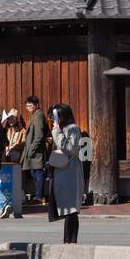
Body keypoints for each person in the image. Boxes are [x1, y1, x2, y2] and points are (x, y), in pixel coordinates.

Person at [47, 103, 84, 243]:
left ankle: (70, 240)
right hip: (62, 171)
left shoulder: (72, 128)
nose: (52, 120)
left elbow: (69, 149)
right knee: (67, 208)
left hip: (70, 172)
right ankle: (68, 239)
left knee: (71, 209)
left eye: (54, 116)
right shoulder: (64, 129)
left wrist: (56, 132)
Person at [19, 95, 49, 206]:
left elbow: (39, 135)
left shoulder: (38, 116)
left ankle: (39, 197)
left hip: (37, 152)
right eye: (27, 106)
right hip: (34, 151)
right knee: (35, 173)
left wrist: (31, 150)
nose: (29, 107)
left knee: (38, 174)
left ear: (36, 105)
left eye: (31, 105)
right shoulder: (34, 115)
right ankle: (38, 195)